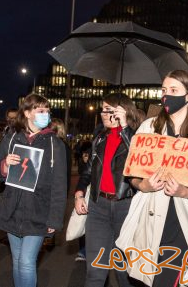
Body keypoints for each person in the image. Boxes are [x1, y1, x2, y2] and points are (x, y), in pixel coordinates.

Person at [125, 69, 188, 287]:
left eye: (173, 90)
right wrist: (143, 185)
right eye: (163, 90)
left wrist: (186, 192)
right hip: (150, 217)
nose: (166, 95)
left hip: (184, 222)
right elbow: (131, 174)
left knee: (165, 280)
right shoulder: (149, 129)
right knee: (148, 279)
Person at [74, 92, 146, 287]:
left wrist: (124, 128)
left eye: (108, 110)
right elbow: (88, 172)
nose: (103, 114)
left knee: (125, 272)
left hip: (126, 208)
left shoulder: (138, 136)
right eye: (103, 109)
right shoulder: (100, 138)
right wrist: (79, 193)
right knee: (95, 272)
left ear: (122, 112)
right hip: (98, 208)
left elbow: (140, 158)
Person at [0, 94, 67, 287]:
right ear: (27, 113)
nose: (46, 115)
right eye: (40, 110)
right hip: (13, 209)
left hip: (38, 212)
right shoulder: (11, 139)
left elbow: (59, 186)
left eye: (47, 111)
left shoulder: (55, 145)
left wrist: (55, 219)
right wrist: (5, 165)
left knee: (26, 262)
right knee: (17, 261)